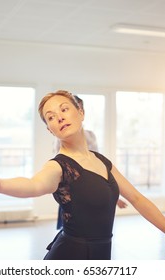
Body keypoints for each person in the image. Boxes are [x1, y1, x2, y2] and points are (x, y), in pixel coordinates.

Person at [0, 90, 165, 260]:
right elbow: (34, 185)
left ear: (81, 112)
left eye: (64, 109)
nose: (59, 118)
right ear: (50, 130)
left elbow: (137, 199)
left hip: (100, 254)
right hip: (70, 255)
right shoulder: (58, 167)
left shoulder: (102, 161)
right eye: (50, 117)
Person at [53, 95, 128, 229]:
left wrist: (114, 197)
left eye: (79, 108)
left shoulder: (91, 136)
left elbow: (97, 166)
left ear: (81, 112)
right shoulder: (60, 141)